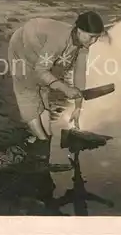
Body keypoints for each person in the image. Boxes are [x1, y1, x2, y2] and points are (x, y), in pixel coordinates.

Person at [7, 11, 107, 165]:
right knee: (28, 89)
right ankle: (41, 142)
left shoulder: (83, 44)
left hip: (42, 50)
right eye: (91, 36)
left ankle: (45, 137)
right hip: (23, 47)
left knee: (44, 89)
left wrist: (78, 107)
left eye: (97, 37)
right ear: (79, 30)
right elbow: (40, 71)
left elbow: (80, 74)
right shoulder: (59, 39)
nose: (94, 41)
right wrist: (65, 89)